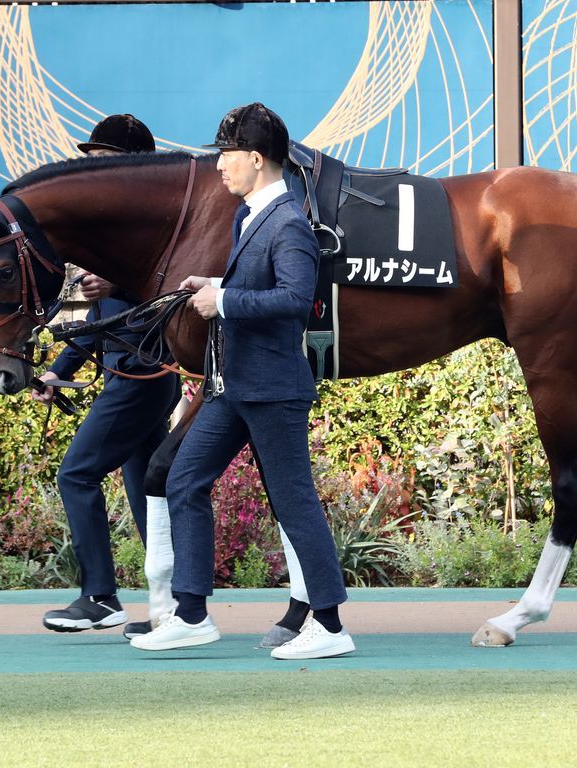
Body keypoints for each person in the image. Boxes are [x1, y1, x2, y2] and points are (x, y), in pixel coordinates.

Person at [131, 102, 354, 660]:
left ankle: (330, 626)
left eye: (226, 154)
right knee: (184, 479)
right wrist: (214, 282)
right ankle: (191, 615)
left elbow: (296, 300)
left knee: (294, 501)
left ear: (256, 159)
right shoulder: (249, 215)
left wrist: (224, 300)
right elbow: (260, 281)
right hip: (233, 386)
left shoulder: (289, 222)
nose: (218, 165)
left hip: (273, 389)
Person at [34, 114, 181, 638]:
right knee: (148, 490)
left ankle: (99, 597)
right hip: (137, 376)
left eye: (102, 160)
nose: (93, 170)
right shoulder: (114, 227)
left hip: (143, 376)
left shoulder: (153, 223)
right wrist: (58, 371)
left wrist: (116, 283)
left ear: (134, 162)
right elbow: (100, 324)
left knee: (76, 474)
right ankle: (174, 606)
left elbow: (171, 293)